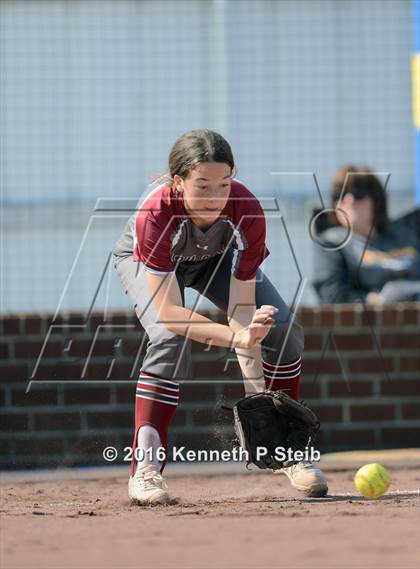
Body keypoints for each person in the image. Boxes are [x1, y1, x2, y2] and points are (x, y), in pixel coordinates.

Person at [112, 129, 328, 504]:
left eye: (224, 184)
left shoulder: (245, 210)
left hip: (215, 261)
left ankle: (285, 448)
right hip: (151, 266)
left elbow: (243, 314)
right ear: (178, 182)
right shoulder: (157, 214)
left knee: (284, 331)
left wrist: (257, 400)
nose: (215, 198)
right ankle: (145, 470)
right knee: (168, 337)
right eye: (203, 186)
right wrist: (236, 338)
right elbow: (170, 314)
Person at [312, 165, 420, 304]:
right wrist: (375, 300)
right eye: (340, 195)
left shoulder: (407, 232)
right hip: (376, 320)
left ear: (376, 201)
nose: (349, 201)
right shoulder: (331, 242)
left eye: (358, 194)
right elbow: (333, 296)